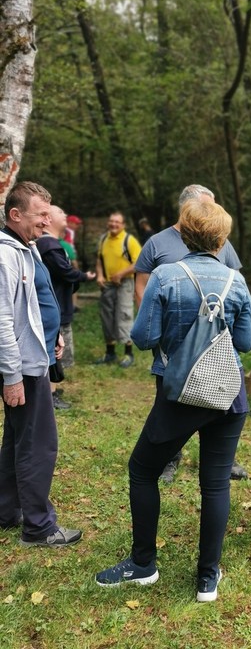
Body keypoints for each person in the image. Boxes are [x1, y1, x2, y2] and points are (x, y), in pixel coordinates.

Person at [95, 198, 251, 602]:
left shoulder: (166, 275)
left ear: (183, 234)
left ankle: (143, 564)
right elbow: (245, 341)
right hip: (226, 392)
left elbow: (144, 338)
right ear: (222, 241)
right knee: (216, 483)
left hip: (181, 393)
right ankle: (207, 578)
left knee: (142, 470)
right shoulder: (236, 282)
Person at [135, 184, 247, 483]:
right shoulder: (157, 244)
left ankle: (222, 458)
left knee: (217, 408)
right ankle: (170, 458)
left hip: (217, 350)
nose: (211, 214)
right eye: (205, 207)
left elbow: (235, 282)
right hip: (174, 353)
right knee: (172, 411)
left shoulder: (222, 243)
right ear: (186, 211)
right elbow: (142, 286)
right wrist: (153, 322)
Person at [0, 181, 82, 547]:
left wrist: (51, 337)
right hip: (23, 366)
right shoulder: (5, 255)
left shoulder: (24, 247)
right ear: (15, 214)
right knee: (39, 443)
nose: (47, 224)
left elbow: (32, 304)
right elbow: (2, 319)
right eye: (40, 215)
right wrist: (12, 375)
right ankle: (38, 527)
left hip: (35, 356)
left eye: (49, 215)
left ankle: (6, 510)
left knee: (17, 438)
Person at [36, 205, 96, 410]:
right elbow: (66, 272)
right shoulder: (48, 245)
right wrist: (84, 276)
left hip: (59, 305)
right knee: (55, 351)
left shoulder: (52, 244)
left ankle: (51, 390)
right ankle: (50, 395)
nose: (65, 215)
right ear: (49, 219)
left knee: (57, 349)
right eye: (61, 212)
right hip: (55, 308)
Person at [94, 211, 142, 368]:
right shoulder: (103, 239)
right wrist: (100, 275)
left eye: (117, 222)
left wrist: (120, 274)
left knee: (124, 315)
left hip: (125, 283)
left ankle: (128, 354)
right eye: (111, 221)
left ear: (123, 225)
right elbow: (99, 260)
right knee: (107, 317)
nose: (113, 224)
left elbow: (139, 264)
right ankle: (110, 353)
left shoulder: (129, 240)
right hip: (107, 284)